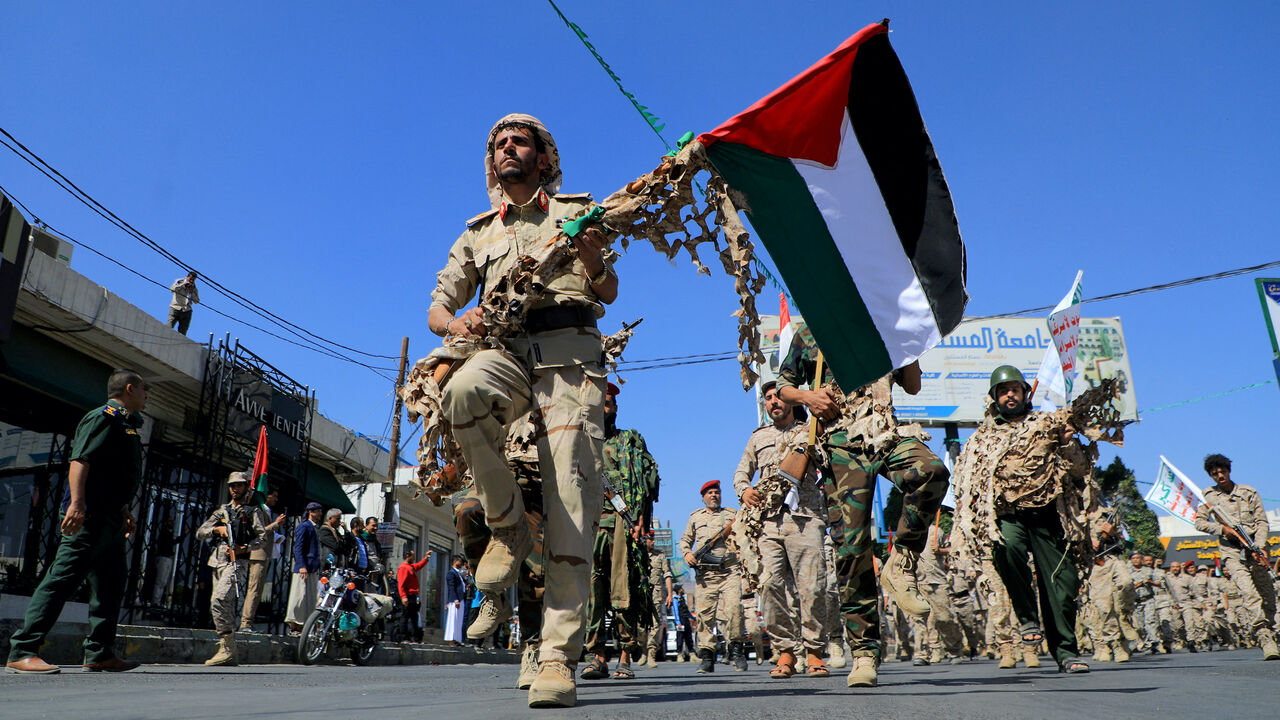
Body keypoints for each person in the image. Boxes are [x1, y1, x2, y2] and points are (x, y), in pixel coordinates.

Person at [427, 113, 616, 708]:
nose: (509, 149)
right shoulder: (478, 233)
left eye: (521, 141)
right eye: (500, 144)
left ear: (543, 156)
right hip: (506, 353)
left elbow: (607, 291)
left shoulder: (575, 213)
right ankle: (507, 521)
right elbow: (438, 305)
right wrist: (458, 322)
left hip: (569, 363)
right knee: (461, 391)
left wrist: (591, 259)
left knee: (568, 503)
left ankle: (557, 657)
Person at [776, 327, 950, 687]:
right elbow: (784, 386)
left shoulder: (886, 321)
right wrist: (808, 397)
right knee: (852, 550)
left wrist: (910, 340)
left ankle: (901, 561)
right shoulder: (812, 329)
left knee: (931, 472)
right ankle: (865, 654)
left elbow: (913, 385)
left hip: (884, 432)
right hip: (840, 446)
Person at [951, 365, 1093, 674]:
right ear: (994, 398)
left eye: (1015, 389)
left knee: (1063, 584)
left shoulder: (1047, 425)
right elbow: (967, 484)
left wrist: (1068, 442)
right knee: (1006, 547)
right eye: (1003, 391)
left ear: (1025, 393)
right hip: (1007, 516)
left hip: (1048, 515)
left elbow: (1080, 472)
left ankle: (1066, 652)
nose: (1010, 395)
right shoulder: (982, 437)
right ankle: (1028, 617)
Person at [6, 369, 147, 674]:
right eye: (144, 390)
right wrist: (77, 505)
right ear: (129, 388)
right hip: (90, 518)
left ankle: (99, 652)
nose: (146, 396)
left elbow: (113, 475)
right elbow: (80, 461)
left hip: (110, 519)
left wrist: (124, 512)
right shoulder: (103, 417)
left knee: (111, 586)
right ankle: (23, 649)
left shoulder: (125, 423)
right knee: (60, 581)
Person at [734, 380, 829, 678]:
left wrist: (817, 441)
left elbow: (828, 464)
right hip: (767, 522)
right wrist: (743, 490)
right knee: (769, 585)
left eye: (778, 396)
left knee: (812, 587)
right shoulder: (757, 437)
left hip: (805, 517)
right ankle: (785, 652)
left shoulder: (811, 429)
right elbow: (741, 471)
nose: (773, 402)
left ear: (790, 400)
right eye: (768, 399)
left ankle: (814, 653)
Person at [582, 382, 661, 681]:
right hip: (589, 524)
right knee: (592, 593)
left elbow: (647, 483)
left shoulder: (629, 441)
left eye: (609, 403)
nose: (605, 407)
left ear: (616, 408)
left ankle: (625, 655)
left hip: (621, 525)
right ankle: (596, 655)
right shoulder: (581, 443)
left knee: (624, 590)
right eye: (600, 402)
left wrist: (641, 519)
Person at [1193, 453, 1280, 660]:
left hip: (1254, 549)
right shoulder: (1209, 497)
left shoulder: (1249, 493)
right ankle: (1264, 636)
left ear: (1229, 471)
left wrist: (1259, 546)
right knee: (1249, 593)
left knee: (1268, 597)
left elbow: (1261, 522)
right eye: (1215, 474)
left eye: (1222, 472)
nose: (1219, 476)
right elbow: (1199, 522)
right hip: (1231, 552)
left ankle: (1272, 630)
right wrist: (1222, 529)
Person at [195, 471, 265, 666]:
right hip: (217, 560)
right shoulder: (222, 512)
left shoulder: (252, 512)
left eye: (240, 485)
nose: (236, 489)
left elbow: (262, 538)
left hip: (237, 562)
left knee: (219, 599)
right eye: (233, 486)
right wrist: (217, 529)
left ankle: (227, 645)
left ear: (246, 487)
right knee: (221, 604)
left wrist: (245, 548)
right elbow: (200, 532)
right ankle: (228, 648)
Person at [680, 480, 744, 674]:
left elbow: (745, 537)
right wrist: (687, 554)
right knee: (704, 616)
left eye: (717, 492)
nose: (714, 495)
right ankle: (707, 656)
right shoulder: (695, 517)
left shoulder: (733, 515)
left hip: (729, 571)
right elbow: (685, 540)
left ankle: (737, 651)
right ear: (703, 497)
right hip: (706, 575)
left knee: (734, 610)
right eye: (710, 493)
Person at [240, 488, 285, 631]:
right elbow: (259, 531)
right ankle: (246, 623)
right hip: (257, 553)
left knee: (257, 589)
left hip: (265, 553)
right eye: (274, 496)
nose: (276, 499)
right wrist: (276, 524)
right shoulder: (259, 510)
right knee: (254, 588)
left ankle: (249, 621)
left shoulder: (267, 511)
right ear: (267, 496)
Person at [286, 502, 323, 633]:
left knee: (309, 598)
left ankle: (304, 627)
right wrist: (301, 565)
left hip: (312, 568)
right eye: (318, 511)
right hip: (304, 568)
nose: (320, 514)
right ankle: (294, 625)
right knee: (299, 597)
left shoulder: (315, 528)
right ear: (311, 512)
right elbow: (298, 547)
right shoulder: (304, 526)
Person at [643, 532, 674, 667]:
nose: (653, 542)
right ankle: (643, 650)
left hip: (656, 594)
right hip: (640, 595)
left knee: (656, 624)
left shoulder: (660, 555)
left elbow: (667, 575)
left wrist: (670, 594)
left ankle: (651, 653)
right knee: (639, 626)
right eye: (651, 540)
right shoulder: (636, 554)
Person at [397, 548, 431, 642]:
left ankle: (416, 638)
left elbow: (418, 566)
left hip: (413, 596)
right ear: (408, 556)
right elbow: (401, 584)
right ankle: (404, 637)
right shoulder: (404, 567)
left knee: (414, 617)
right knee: (405, 617)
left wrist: (426, 558)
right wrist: (403, 597)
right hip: (408, 596)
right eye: (413, 555)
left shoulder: (410, 567)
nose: (414, 557)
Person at [150, 515, 181, 606]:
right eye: (170, 521)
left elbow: (172, 542)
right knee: (160, 580)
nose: (172, 523)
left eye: (172, 521)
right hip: (163, 557)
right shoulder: (164, 533)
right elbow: (170, 543)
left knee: (163, 581)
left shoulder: (168, 533)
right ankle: (155, 600)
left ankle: (158, 600)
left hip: (167, 558)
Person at [445, 555, 467, 646]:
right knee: (453, 620)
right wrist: (455, 599)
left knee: (459, 620)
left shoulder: (459, 573)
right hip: (456, 600)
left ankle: (457, 639)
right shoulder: (451, 573)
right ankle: (451, 640)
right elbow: (451, 587)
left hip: (461, 599)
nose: (461, 563)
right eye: (459, 561)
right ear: (455, 561)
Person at [167, 271, 199, 335]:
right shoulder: (179, 281)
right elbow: (172, 289)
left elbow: (197, 301)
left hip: (187, 311)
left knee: (182, 333)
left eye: (193, 280)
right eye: (190, 279)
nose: (191, 281)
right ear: (187, 277)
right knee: (169, 328)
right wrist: (183, 284)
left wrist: (191, 291)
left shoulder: (194, 288)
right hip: (175, 307)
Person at [672, 585, 695, 662]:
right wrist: (678, 622)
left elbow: (687, 611)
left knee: (688, 637)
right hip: (680, 621)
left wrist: (693, 618)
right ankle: (679, 655)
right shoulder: (675, 599)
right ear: (679, 590)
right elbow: (676, 611)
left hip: (686, 620)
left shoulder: (682, 599)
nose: (683, 589)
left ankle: (692, 654)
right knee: (680, 638)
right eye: (681, 589)